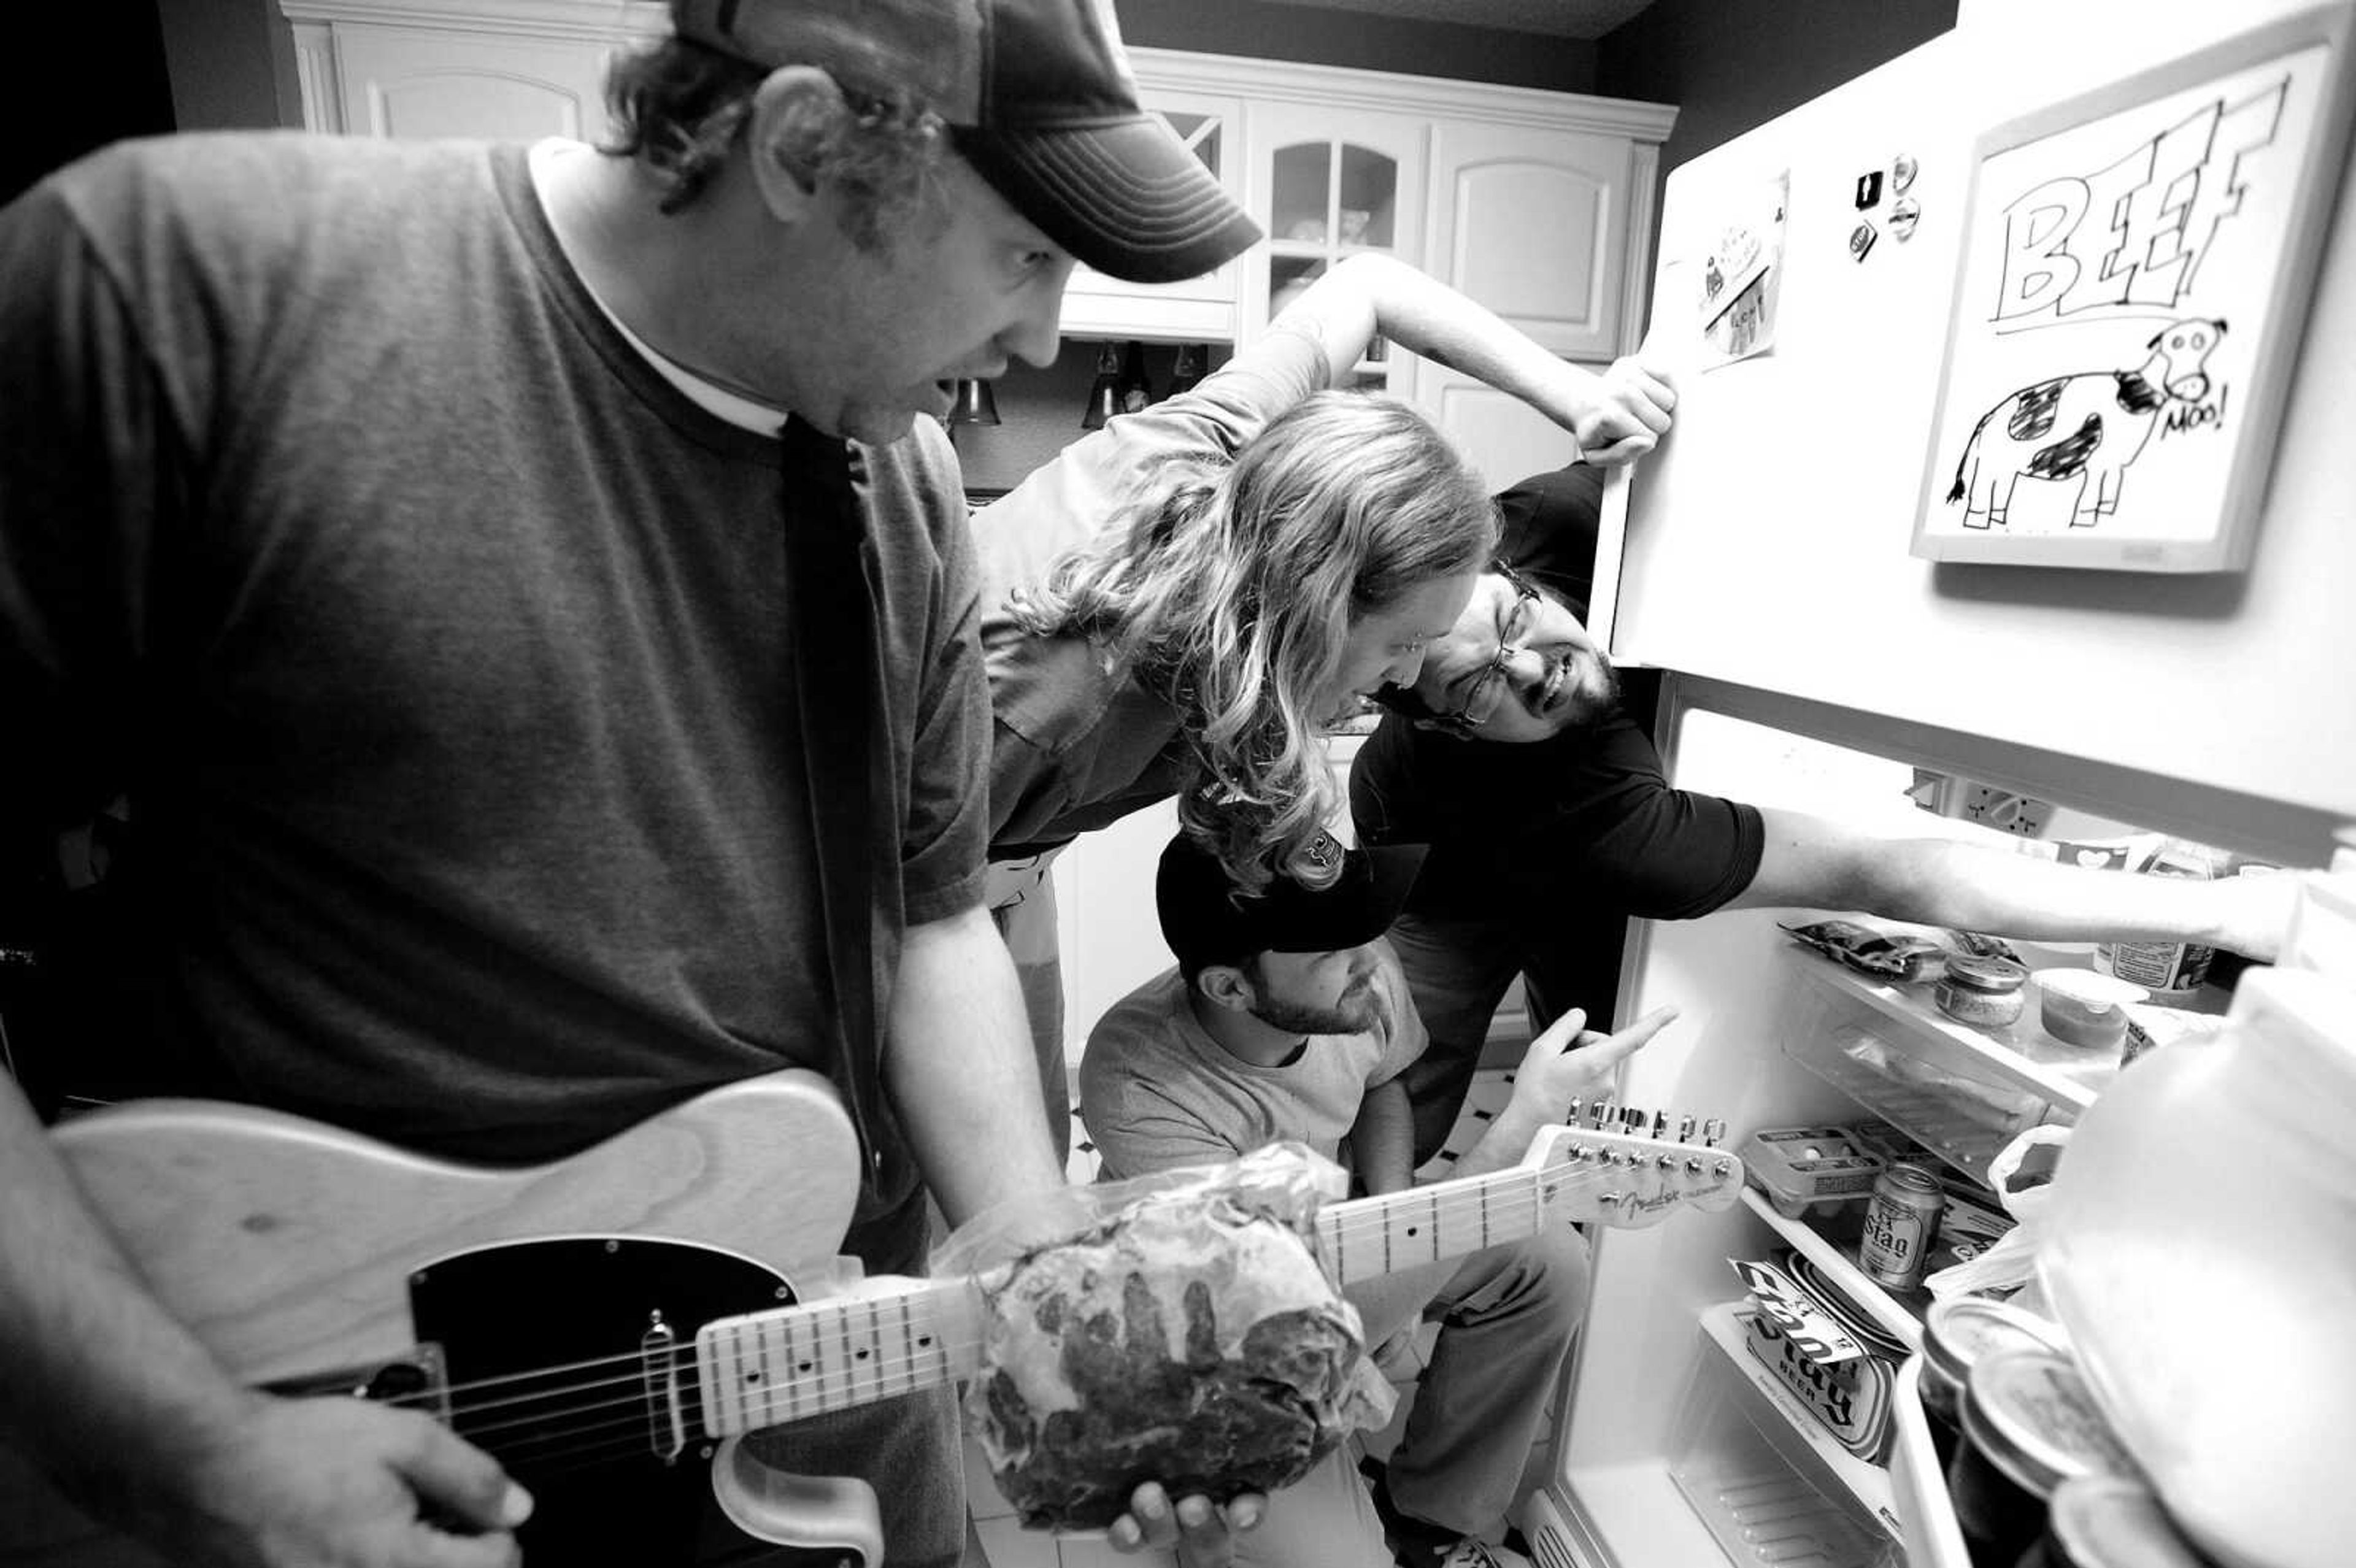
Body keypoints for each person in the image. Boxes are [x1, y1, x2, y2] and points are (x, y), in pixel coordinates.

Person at [0, 2, 1264, 1564]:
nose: (1041, 340)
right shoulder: (190, 287)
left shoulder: (905, 494)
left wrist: (1026, 1250)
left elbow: (931, 912)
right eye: (1023, 255)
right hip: (328, 1434)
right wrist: (177, 1443)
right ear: (804, 146)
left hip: (800, 1387)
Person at [1351, 461, 2308, 1161]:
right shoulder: (1610, 830)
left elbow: (1706, 442)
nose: (1534, 669)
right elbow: (1886, 871)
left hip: (1554, 828)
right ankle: (1382, 1280)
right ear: (1455, 725)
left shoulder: (1553, 522)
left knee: (1591, 1009)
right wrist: (2229, 914)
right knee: (1410, 1074)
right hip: (1434, 852)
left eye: (1515, 622)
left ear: (1515, 579)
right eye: (1479, 688)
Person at [974, 253, 1677, 1158]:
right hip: (922, 877)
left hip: (1007, 865)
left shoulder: (1234, 451)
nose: (1401, 681)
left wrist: (1573, 396)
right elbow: (903, 923)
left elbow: (1371, 286)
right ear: (1311, 605)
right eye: (1400, 645)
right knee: (961, 1179)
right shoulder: (1053, 708)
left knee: (1022, 1139)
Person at [1079, 832, 1678, 1568]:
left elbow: (1379, 1084)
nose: (1371, 961)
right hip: (1214, 1330)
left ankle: (1432, 1510)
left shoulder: (1359, 970)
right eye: (1332, 952)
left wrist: (1400, 1224)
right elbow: (1291, 1338)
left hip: (1327, 1235)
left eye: (1363, 933)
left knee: (1551, 1259)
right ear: (1231, 989)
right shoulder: (1138, 1081)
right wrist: (1517, 1129)